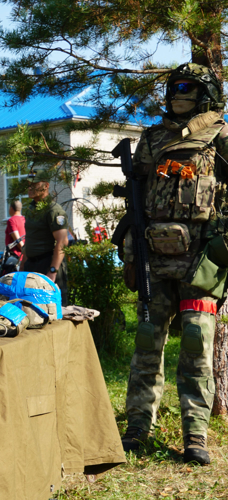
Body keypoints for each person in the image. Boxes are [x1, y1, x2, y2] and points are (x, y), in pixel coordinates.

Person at [116, 63, 228, 466]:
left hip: (200, 260)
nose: (179, 92)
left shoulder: (219, 135)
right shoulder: (153, 137)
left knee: (197, 345)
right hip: (154, 258)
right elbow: (138, 194)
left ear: (205, 93)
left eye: (188, 87)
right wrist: (130, 249)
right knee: (147, 342)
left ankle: (195, 435)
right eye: (175, 86)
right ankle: (136, 429)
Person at [20, 177, 68, 305]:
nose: (30, 188)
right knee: (30, 307)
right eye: (29, 184)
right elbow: (31, 237)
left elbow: (62, 241)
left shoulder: (54, 210)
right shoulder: (31, 209)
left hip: (47, 264)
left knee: (51, 307)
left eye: (34, 184)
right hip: (31, 265)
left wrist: (52, 271)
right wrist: (23, 263)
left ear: (46, 186)